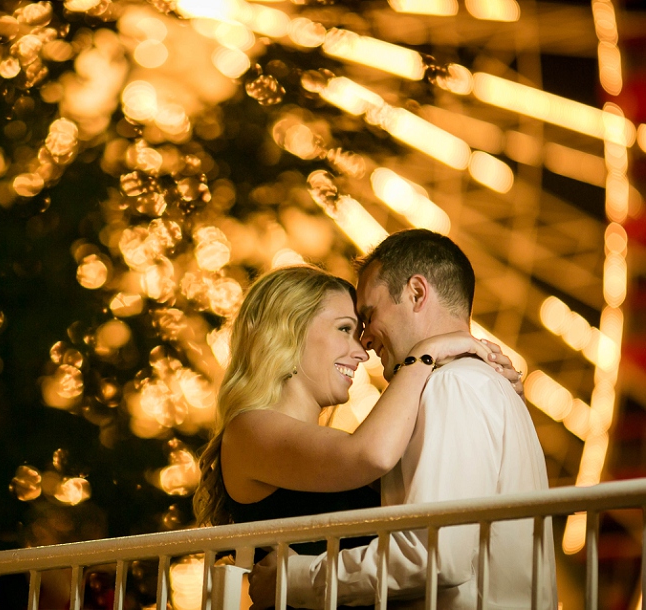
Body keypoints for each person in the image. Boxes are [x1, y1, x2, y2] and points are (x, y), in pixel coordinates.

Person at [248, 229, 557, 609]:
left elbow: (433, 554)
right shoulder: (476, 385)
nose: (364, 343)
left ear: (416, 293)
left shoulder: (452, 386)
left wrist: (294, 578)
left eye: (367, 316)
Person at [192, 264, 521, 557]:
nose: (362, 352)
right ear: (288, 331)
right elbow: (370, 455)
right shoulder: (248, 431)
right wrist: (426, 353)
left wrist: (499, 394)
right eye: (345, 329)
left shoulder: (335, 447)